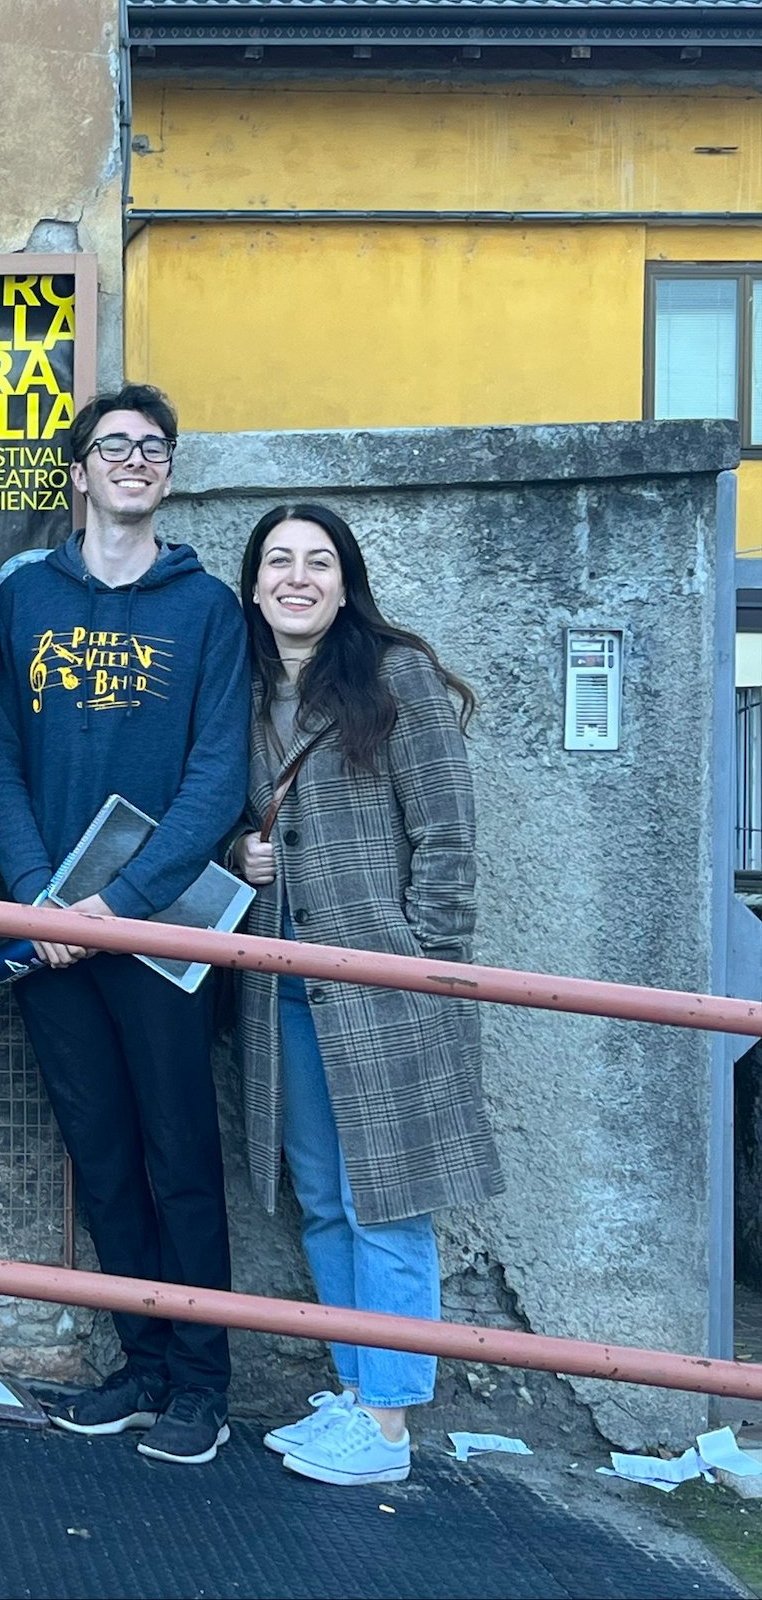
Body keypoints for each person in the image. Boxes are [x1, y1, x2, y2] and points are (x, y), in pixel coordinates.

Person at [0, 382, 249, 1466]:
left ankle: (202, 1384)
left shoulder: (207, 610)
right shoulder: (23, 600)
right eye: (114, 446)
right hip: (51, 930)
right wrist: (43, 897)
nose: (134, 459)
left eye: (153, 447)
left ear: (167, 474)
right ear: (79, 471)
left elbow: (215, 777)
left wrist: (116, 908)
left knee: (179, 1152)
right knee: (98, 1153)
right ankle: (138, 1366)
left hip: (156, 936)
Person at [232, 503, 495, 1488]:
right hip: (283, 989)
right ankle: (354, 1387)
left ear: (345, 581)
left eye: (316, 561)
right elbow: (245, 824)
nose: (295, 577)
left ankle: (385, 1423)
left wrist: (424, 968)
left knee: (383, 1199)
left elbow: (447, 839)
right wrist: (238, 852)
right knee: (318, 1199)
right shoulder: (248, 687)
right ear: (252, 584)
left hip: (381, 987)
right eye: (276, 562)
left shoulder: (395, 675)